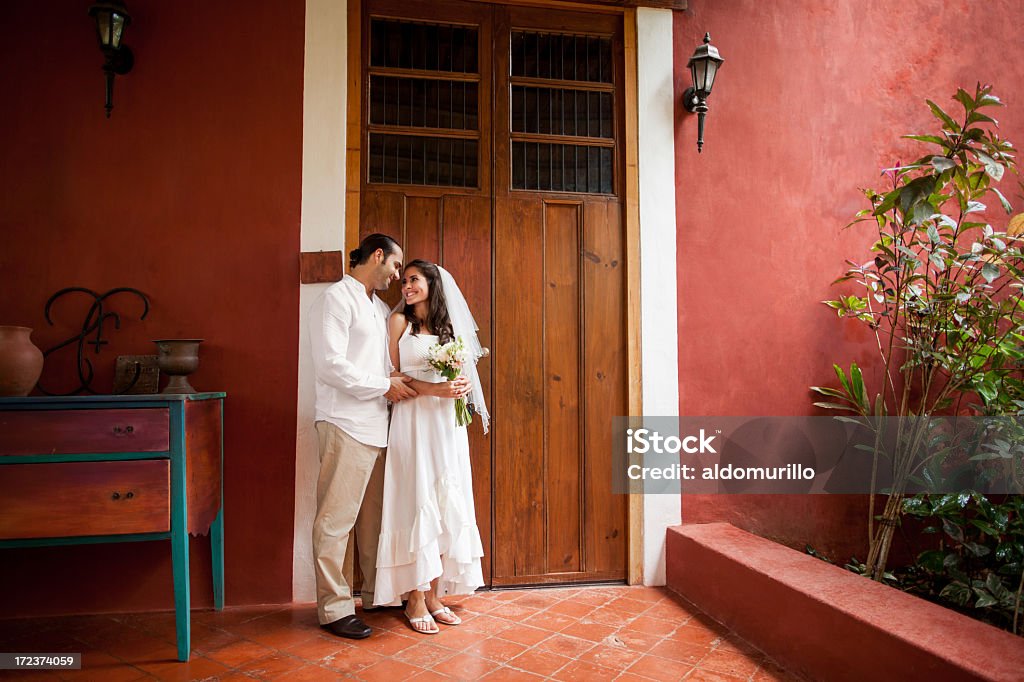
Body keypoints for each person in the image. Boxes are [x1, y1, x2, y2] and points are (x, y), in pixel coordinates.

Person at [308, 233, 417, 640]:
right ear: (377, 255)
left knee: (373, 521)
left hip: (377, 427)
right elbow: (331, 366)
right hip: (344, 423)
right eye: (394, 265)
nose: (396, 275)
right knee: (335, 522)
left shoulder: (379, 307)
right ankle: (334, 608)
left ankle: (375, 593)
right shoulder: (336, 298)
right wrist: (384, 386)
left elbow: (379, 365)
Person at [373, 259, 489, 635]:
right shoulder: (398, 324)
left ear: (431, 284)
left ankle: (435, 593)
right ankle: (414, 598)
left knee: (445, 500)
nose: (406, 287)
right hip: (412, 421)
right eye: (403, 280)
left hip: (446, 425)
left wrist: (461, 386)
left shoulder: (449, 328)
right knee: (415, 497)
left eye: (414, 280)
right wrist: (435, 389)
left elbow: (462, 372)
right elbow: (390, 379)